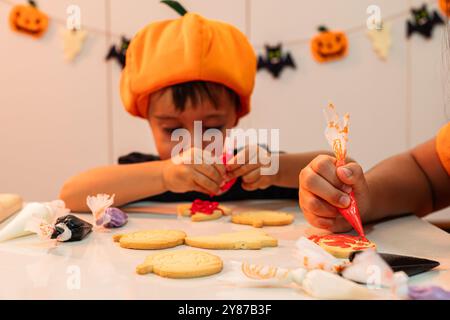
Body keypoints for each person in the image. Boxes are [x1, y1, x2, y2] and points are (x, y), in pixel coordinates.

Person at [60, 13, 325, 211]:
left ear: (235, 118)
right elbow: (70, 195)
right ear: (148, 120)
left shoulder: (256, 170)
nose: (193, 143)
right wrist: (163, 176)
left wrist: (277, 171)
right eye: (172, 130)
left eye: (212, 128)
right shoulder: (140, 175)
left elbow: (337, 169)